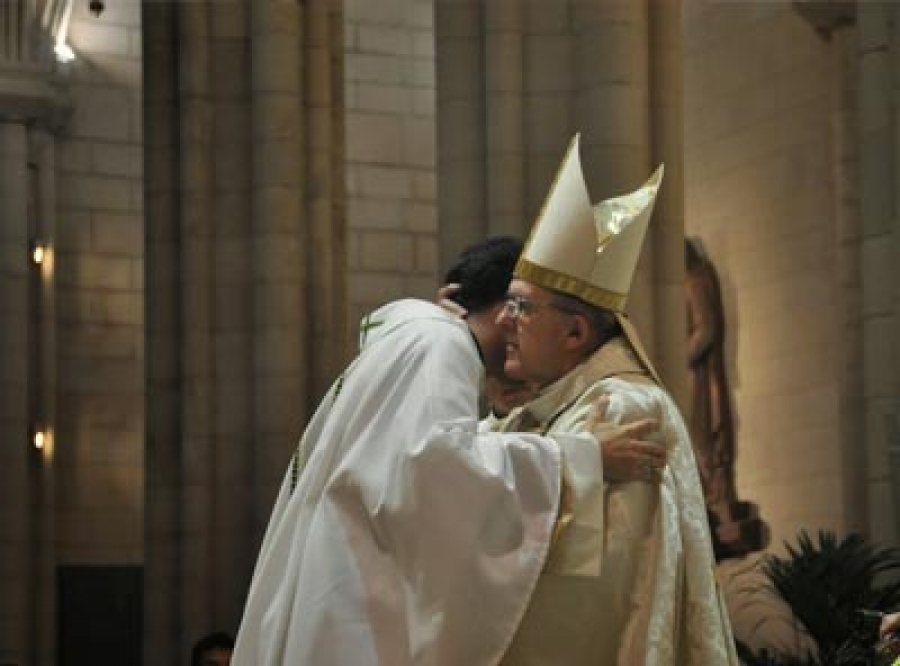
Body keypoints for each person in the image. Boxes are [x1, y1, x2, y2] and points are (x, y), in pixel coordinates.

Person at [231, 237, 663, 665]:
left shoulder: (419, 339)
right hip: (360, 615)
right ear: (503, 312)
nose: (522, 324)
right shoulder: (441, 344)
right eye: (520, 306)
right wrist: (580, 459)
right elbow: (436, 470)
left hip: (344, 590)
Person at [492, 134, 739, 665]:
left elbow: (592, 591)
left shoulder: (623, 410)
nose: (503, 323)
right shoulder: (547, 407)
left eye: (520, 307)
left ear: (576, 334)